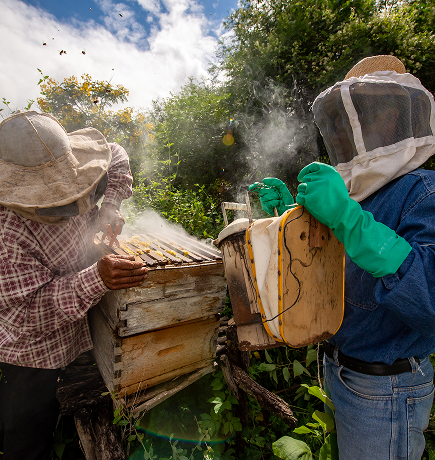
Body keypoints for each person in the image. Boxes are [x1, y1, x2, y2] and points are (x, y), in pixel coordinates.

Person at [250, 55, 435, 459]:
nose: (352, 127)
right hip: (339, 369)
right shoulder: (357, 193)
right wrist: (288, 218)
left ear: (398, 115)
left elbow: (430, 297)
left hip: (385, 387)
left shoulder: (425, 192)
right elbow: (322, 264)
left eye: (372, 110)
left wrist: (347, 218)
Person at [0, 111, 148, 460]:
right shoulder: (7, 234)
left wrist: (109, 208)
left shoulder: (76, 158)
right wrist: (96, 278)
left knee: (80, 403)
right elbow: (29, 314)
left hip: (79, 329)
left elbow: (116, 154)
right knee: (27, 434)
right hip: (32, 354)